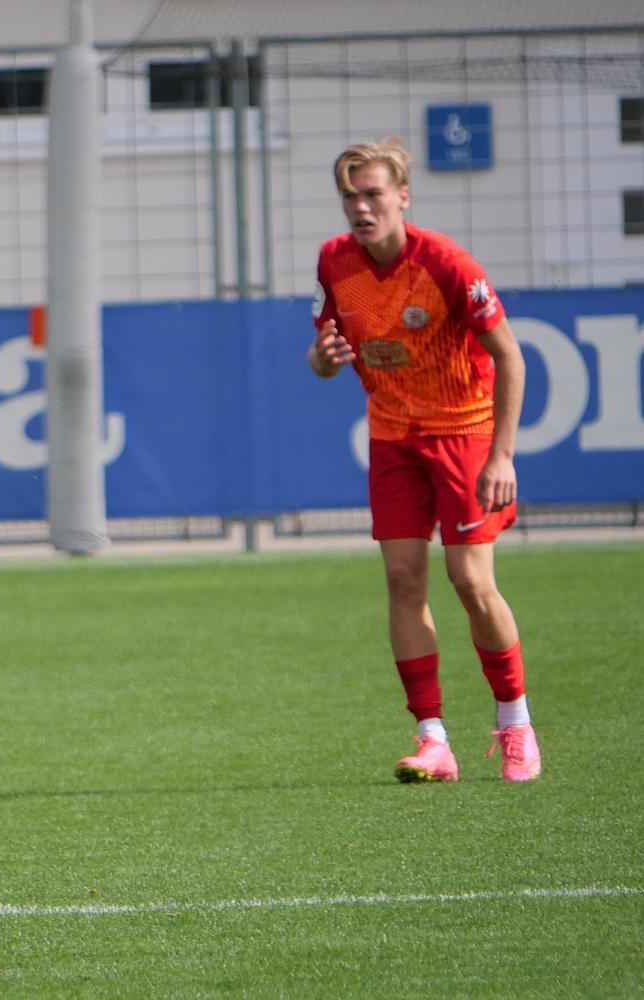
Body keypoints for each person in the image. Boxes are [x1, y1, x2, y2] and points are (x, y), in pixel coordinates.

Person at [307, 137, 541, 785]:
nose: (360, 206)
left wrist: (502, 455)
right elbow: (322, 354)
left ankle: (515, 722)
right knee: (404, 581)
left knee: (471, 582)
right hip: (391, 438)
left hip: (464, 434)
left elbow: (511, 358)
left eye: (373, 193)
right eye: (350, 195)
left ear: (402, 196)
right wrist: (322, 361)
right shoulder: (334, 262)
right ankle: (433, 738)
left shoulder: (446, 263)